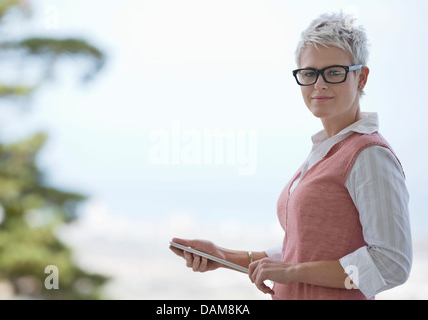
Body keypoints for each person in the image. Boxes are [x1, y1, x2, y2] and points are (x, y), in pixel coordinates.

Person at [169, 12, 412, 300]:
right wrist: (222, 256)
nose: (318, 85)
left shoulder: (369, 156)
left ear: (361, 77)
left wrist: (293, 272)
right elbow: (302, 253)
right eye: (309, 73)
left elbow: (392, 263)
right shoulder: (325, 152)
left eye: (334, 72)